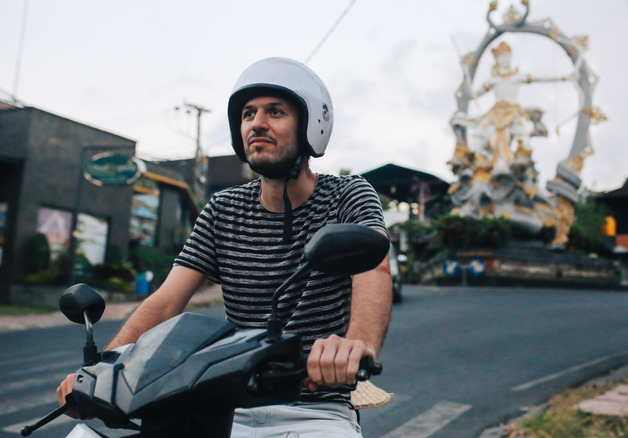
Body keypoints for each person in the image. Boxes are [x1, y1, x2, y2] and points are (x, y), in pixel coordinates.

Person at [56, 57, 393, 437]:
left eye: (275, 111)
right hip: (222, 405)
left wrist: (356, 346)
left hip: (314, 410)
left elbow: (374, 267)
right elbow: (167, 302)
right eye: (248, 114)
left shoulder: (347, 195)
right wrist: (102, 371)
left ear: (312, 124)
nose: (257, 123)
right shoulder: (224, 208)